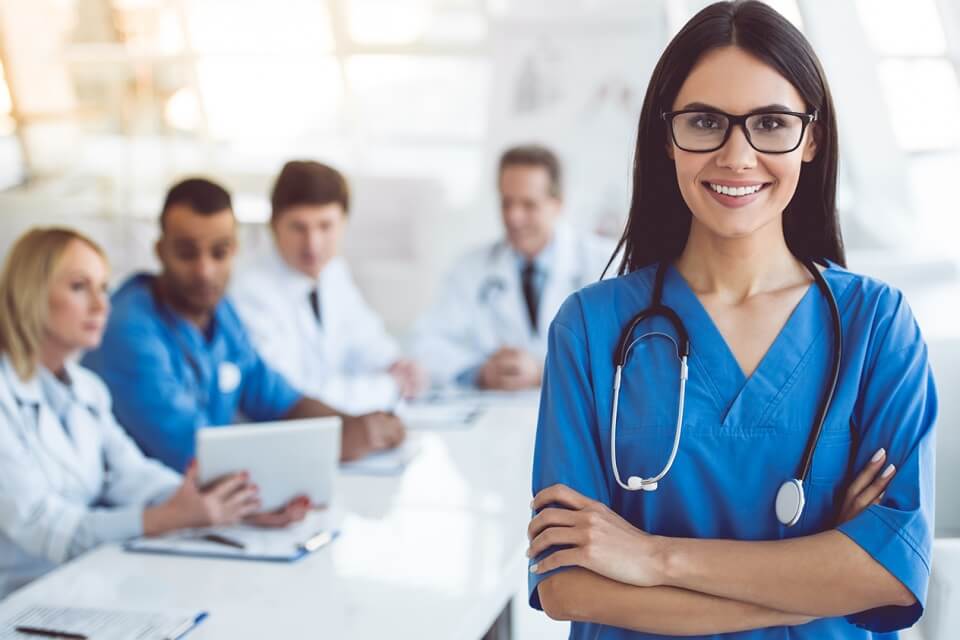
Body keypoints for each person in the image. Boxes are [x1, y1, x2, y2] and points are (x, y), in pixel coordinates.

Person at [527, 2, 936, 638]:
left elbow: (890, 574)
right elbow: (567, 585)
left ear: (812, 137)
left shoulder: (876, 326)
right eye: (705, 121)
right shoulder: (589, 329)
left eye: (771, 123)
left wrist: (651, 556)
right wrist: (823, 576)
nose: (736, 155)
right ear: (668, 137)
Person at [0, 228, 309, 598]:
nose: (101, 306)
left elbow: (130, 475)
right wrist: (166, 519)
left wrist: (227, 506)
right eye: (80, 287)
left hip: (81, 585)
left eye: (102, 288)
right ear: (29, 294)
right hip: (18, 602)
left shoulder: (86, 389)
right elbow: (44, 528)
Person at [83, 178, 405, 473]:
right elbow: (196, 452)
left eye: (219, 253)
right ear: (160, 251)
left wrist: (351, 426)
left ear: (234, 250)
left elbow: (278, 398)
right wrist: (335, 443)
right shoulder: (128, 331)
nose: (205, 271)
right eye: (186, 254)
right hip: (146, 511)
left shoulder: (220, 313)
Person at [410, 144, 613, 391]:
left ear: (557, 204)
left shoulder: (604, 262)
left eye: (528, 205)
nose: (514, 217)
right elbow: (426, 343)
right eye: (507, 203)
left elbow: (624, 351)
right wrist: (480, 372)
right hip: (494, 415)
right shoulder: (470, 268)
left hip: (577, 415)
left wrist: (545, 371)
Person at [231, 161, 425, 414]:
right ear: (274, 225)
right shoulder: (249, 292)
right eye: (299, 228)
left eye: (325, 226)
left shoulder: (332, 271)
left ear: (344, 223)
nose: (313, 244)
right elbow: (296, 397)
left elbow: (364, 338)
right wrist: (387, 387)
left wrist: (394, 364)